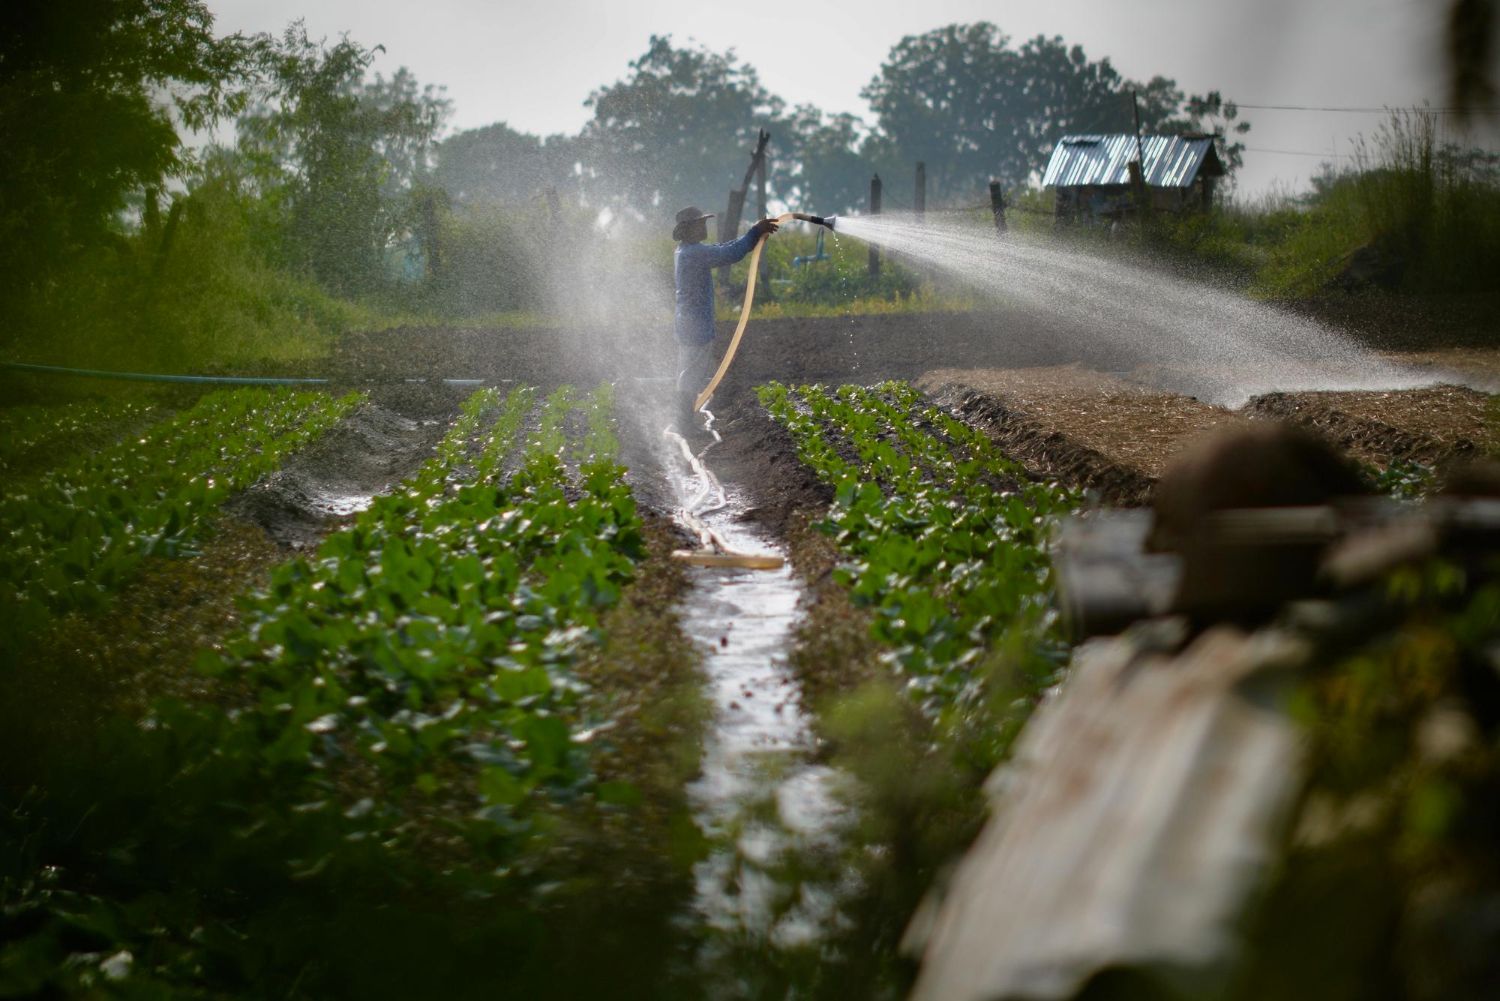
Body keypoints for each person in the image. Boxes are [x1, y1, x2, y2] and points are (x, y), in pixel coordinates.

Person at [672, 205, 778, 432]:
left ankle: (684, 421)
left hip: (689, 322)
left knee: (689, 372)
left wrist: (753, 237)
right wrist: (753, 233)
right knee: (690, 374)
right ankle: (683, 424)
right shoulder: (694, 253)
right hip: (695, 324)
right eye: (700, 224)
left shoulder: (687, 251)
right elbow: (728, 254)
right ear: (688, 229)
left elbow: (722, 249)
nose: (704, 227)